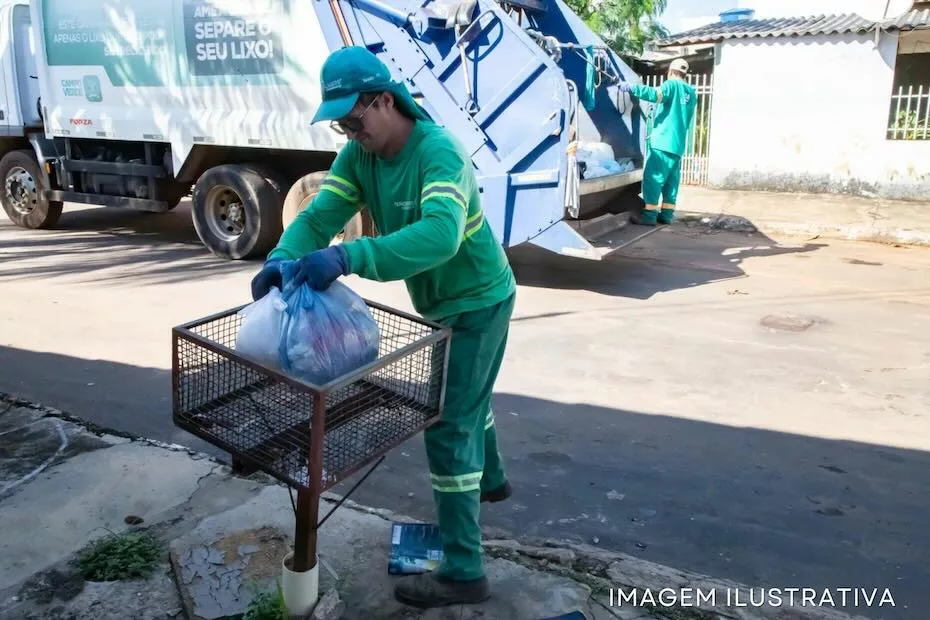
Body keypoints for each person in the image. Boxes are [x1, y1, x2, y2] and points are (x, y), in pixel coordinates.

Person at [249, 45, 517, 609]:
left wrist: (351, 259)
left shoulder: (439, 153)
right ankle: (489, 479)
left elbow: (441, 235)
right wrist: (280, 256)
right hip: (440, 302)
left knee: (449, 424)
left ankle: (465, 570)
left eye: (354, 117)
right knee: (471, 397)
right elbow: (320, 216)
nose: (349, 130)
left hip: (478, 302)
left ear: (385, 99)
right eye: (341, 122)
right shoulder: (359, 156)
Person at [620, 57, 697, 226]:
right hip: (677, 145)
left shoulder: (671, 85)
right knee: (671, 181)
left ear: (670, 72)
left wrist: (632, 88)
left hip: (663, 141)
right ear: (685, 74)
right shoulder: (691, 93)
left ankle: (649, 216)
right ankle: (667, 215)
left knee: (653, 178)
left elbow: (656, 95)